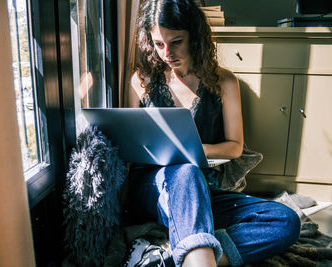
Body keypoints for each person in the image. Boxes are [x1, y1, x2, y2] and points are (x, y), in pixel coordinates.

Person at [125, 0, 301, 266]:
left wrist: (193, 150)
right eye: (159, 44)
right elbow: (130, 145)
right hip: (155, 189)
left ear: (194, 37)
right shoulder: (142, 80)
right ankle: (200, 258)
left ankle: (185, 256)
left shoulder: (224, 82)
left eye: (176, 42)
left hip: (204, 190)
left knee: (286, 221)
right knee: (185, 172)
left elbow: (234, 147)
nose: (167, 53)